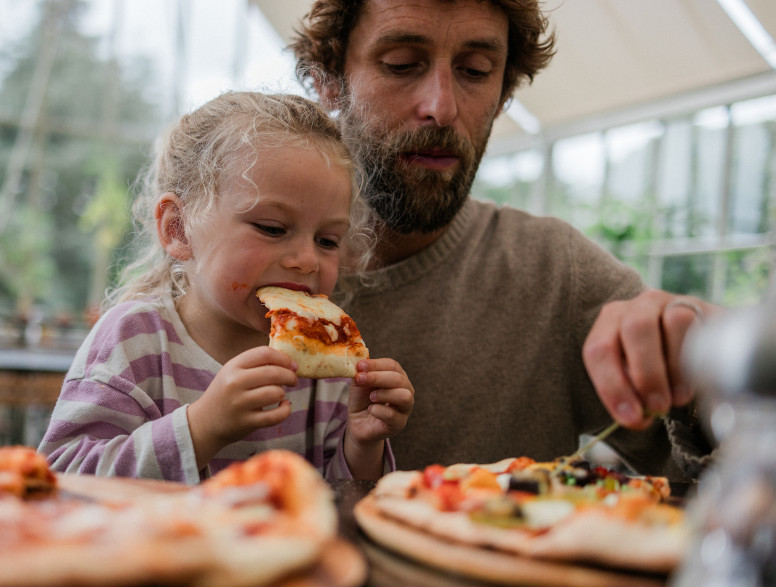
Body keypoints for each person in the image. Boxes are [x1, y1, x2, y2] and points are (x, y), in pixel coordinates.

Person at [290, 0, 720, 480]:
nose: (442, 107)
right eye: (402, 65)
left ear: (504, 93)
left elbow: (723, 480)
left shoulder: (555, 273)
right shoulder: (234, 272)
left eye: (475, 71)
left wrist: (716, 361)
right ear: (327, 79)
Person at [38, 91, 414, 483]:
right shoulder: (135, 340)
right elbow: (61, 477)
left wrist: (361, 444)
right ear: (179, 229)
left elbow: (332, 502)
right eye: (272, 228)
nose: (307, 259)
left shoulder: (323, 364)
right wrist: (201, 428)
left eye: (328, 241)